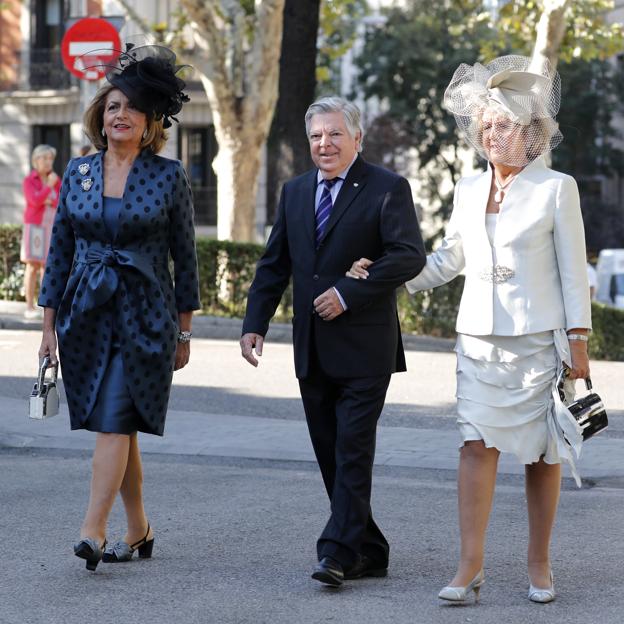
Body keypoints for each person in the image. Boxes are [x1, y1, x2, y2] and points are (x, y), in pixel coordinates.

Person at [346, 56, 591, 603]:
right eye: (484, 126)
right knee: (474, 446)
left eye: (502, 125)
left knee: (543, 454)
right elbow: (447, 258)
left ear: (530, 134)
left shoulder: (558, 188)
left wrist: (580, 341)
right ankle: (469, 567)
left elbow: (575, 272)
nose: (491, 135)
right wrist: (385, 276)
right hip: (477, 339)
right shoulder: (466, 188)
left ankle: (540, 565)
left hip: (539, 343)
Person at [241, 96, 426, 587]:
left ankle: (336, 553)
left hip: (366, 349)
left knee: (352, 451)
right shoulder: (296, 191)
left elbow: (409, 256)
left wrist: (349, 291)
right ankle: (371, 548)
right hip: (313, 348)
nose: (324, 144)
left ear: (357, 138)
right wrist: (254, 322)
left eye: (334, 134)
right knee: (329, 453)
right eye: (317, 136)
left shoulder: (388, 188)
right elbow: (275, 262)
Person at [37, 44, 200, 572]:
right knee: (119, 422)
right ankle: (139, 529)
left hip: (146, 316)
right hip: (85, 315)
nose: (120, 115)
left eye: (131, 107)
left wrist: (184, 331)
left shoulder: (168, 175)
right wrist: (47, 328)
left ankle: (92, 527)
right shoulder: (79, 171)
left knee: (114, 419)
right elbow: (59, 251)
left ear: (150, 120)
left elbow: (186, 258)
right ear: (100, 118)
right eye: (112, 107)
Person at [21, 144, 61, 319]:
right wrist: (47, 190)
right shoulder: (30, 180)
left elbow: (60, 202)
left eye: (50, 158)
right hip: (35, 227)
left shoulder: (57, 180)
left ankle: (44, 307)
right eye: (44, 158)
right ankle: (29, 307)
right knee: (32, 266)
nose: (48, 162)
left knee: (47, 267)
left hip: (51, 227)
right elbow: (35, 200)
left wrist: (47, 198)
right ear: (35, 161)